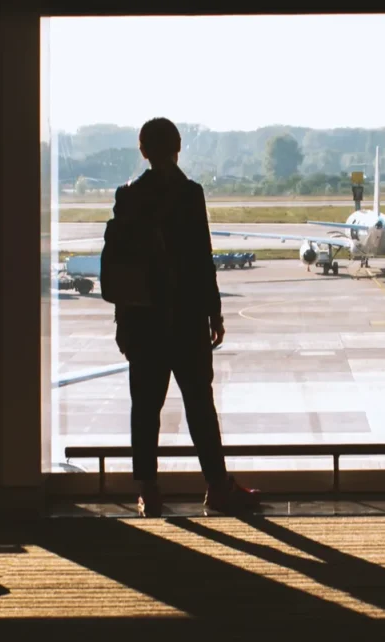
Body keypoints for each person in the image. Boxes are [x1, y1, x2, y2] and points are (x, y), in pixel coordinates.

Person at [111, 117, 260, 519]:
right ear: (178, 148)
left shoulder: (128, 196)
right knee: (199, 405)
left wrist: (123, 321)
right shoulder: (190, 194)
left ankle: (148, 491)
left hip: (143, 322)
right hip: (186, 318)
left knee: (144, 408)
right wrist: (214, 311)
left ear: (143, 150)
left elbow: (123, 269)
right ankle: (216, 485)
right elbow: (201, 259)